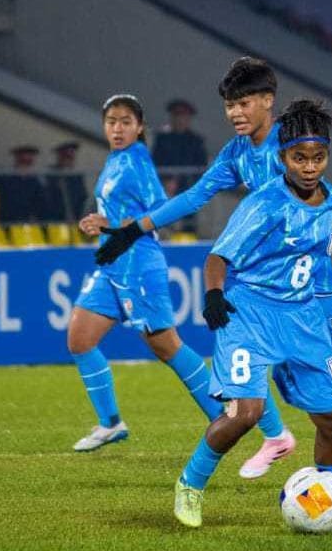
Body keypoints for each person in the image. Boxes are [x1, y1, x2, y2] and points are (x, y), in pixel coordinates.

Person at [97, 57, 332, 489]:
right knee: (276, 373)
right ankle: (280, 440)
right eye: (228, 105)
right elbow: (196, 196)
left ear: (267, 102)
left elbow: (328, 219)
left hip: (326, 281)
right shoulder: (237, 153)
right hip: (283, 289)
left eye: (243, 103)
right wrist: (134, 230)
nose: (235, 113)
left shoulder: (292, 142)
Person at [174, 99, 332, 530]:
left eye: (317, 157)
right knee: (246, 413)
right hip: (250, 315)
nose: (309, 166)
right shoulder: (264, 203)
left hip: (303, 318)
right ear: (283, 157)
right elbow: (217, 258)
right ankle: (190, 485)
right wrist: (213, 295)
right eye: (299, 157)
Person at [67, 94, 222, 451]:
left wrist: (108, 224)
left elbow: (160, 214)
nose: (117, 128)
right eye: (111, 122)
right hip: (113, 263)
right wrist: (104, 225)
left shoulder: (137, 162)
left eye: (125, 122)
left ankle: (225, 415)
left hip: (138, 261)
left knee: (165, 345)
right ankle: (110, 423)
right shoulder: (116, 159)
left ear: (140, 127)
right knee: (79, 338)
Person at [152, 99, 209, 232]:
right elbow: (155, 162)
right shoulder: (162, 139)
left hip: (188, 187)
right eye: (176, 116)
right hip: (164, 187)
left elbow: (201, 166)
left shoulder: (196, 141)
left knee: (189, 221)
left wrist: (186, 182)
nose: (180, 120)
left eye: (183, 116)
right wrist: (166, 180)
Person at [0, 145, 48, 224]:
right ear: (17, 157)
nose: (27, 159)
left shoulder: (36, 181)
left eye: (30, 156)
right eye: (23, 156)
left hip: (27, 221)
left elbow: (41, 202)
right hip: (6, 220)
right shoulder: (4, 177)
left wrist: (36, 216)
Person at [44, 141, 89, 222]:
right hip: (55, 220)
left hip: (74, 219)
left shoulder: (76, 176)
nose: (68, 160)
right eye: (66, 156)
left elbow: (82, 196)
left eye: (71, 156)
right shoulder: (51, 174)